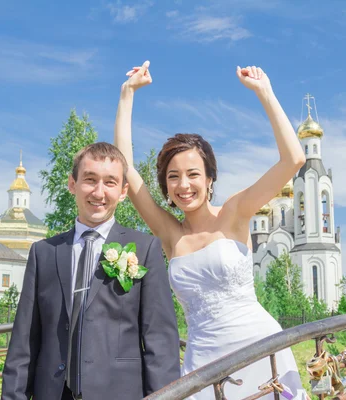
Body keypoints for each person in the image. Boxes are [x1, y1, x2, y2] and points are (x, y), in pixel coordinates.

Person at [114, 61, 307, 399]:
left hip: (259, 349)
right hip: (202, 363)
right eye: (173, 176)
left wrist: (265, 93)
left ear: (210, 179)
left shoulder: (235, 212)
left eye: (193, 174)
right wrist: (127, 95)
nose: (183, 185)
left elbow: (293, 160)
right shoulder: (171, 235)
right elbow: (126, 170)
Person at [1, 142, 180, 400]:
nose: (99, 192)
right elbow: (24, 341)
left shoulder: (145, 248)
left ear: (123, 191)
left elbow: (160, 340)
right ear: (72, 184)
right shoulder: (44, 253)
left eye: (110, 182)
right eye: (90, 179)